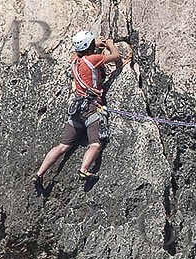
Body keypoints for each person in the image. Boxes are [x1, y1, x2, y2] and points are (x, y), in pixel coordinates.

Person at [35, 31, 130, 189]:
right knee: (95, 144)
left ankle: (39, 174)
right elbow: (116, 56)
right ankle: (84, 170)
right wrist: (109, 44)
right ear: (90, 46)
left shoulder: (74, 60)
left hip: (77, 109)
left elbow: (78, 53)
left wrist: (93, 45)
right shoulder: (94, 59)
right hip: (91, 108)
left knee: (63, 146)